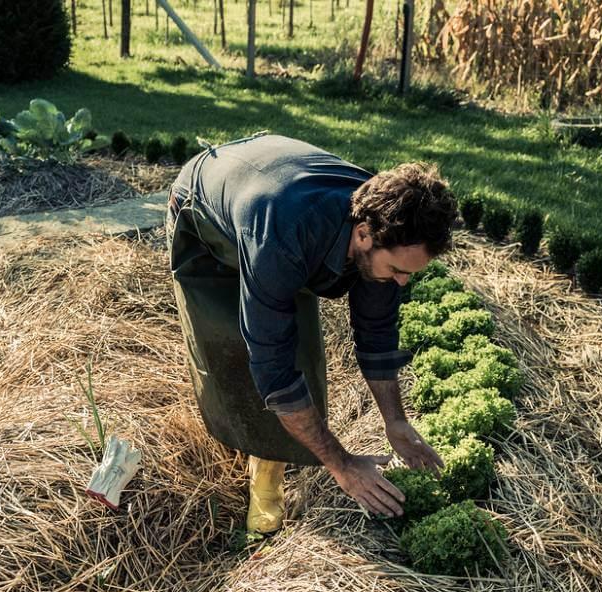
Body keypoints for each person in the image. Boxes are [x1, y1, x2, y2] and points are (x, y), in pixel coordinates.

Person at [165, 132, 460, 534]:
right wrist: (342, 464)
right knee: (234, 344)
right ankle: (260, 466)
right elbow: (274, 368)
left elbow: (376, 331)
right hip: (204, 214)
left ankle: (271, 456)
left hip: (275, 194)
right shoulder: (283, 239)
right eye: (398, 270)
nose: (404, 282)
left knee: (299, 344)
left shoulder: (386, 219)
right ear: (363, 235)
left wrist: (396, 421)